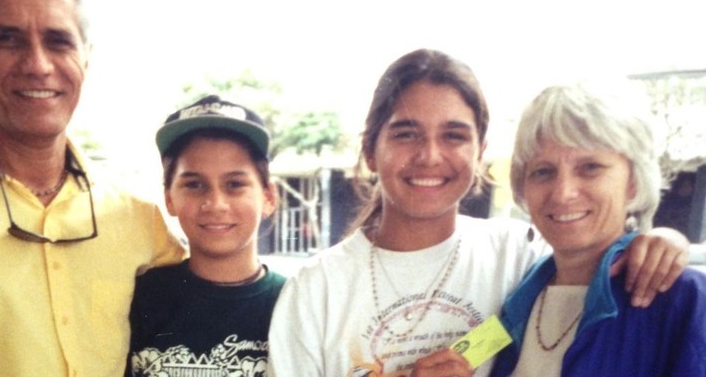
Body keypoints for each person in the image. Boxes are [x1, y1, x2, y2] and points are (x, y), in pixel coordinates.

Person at [267, 49, 689, 377]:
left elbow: (593, 249)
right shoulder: (316, 288)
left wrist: (661, 241)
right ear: (370, 152)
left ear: (480, 153)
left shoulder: (518, 258)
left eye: (454, 135)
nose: (430, 156)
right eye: (406, 133)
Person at [0, 0, 186, 375]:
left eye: (58, 40)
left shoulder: (139, 221)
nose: (38, 64)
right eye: (7, 39)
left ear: (86, 55)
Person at [490, 84, 706, 376]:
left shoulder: (683, 299)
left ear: (633, 182)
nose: (563, 192)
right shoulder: (519, 295)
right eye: (543, 171)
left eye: (590, 167)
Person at [126, 95, 286, 376]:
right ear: (169, 199)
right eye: (194, 184)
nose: (215, 204)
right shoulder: (139, 298)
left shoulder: (295, 301)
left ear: (268, 197)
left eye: (235, 184)